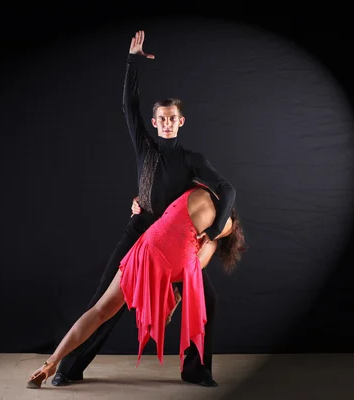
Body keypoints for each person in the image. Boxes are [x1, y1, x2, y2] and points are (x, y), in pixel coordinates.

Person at [47, 30, 237, 388]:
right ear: (154, 123)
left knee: (207, 300)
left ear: (181, 122)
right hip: (140, 231)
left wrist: (213, 230)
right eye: (160, 118)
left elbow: (227, 189)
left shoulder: (193, 159)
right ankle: (68, 368)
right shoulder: (145, 146)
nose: (166, 122)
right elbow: (128, 106)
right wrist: (132, 62)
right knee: (105, 301)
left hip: (175, 242)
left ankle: (196, 370)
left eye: (172, 118)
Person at [27, 185, 247, 388]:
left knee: (100, 311)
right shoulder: (224, 226)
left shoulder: (192, 191)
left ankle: (50, 362)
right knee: (104, 309)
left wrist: (140, 200)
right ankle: (61, 365)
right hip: (163, 264)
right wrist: (174, 300)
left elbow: (159, 193)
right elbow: (195, 267)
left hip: (142, 253)